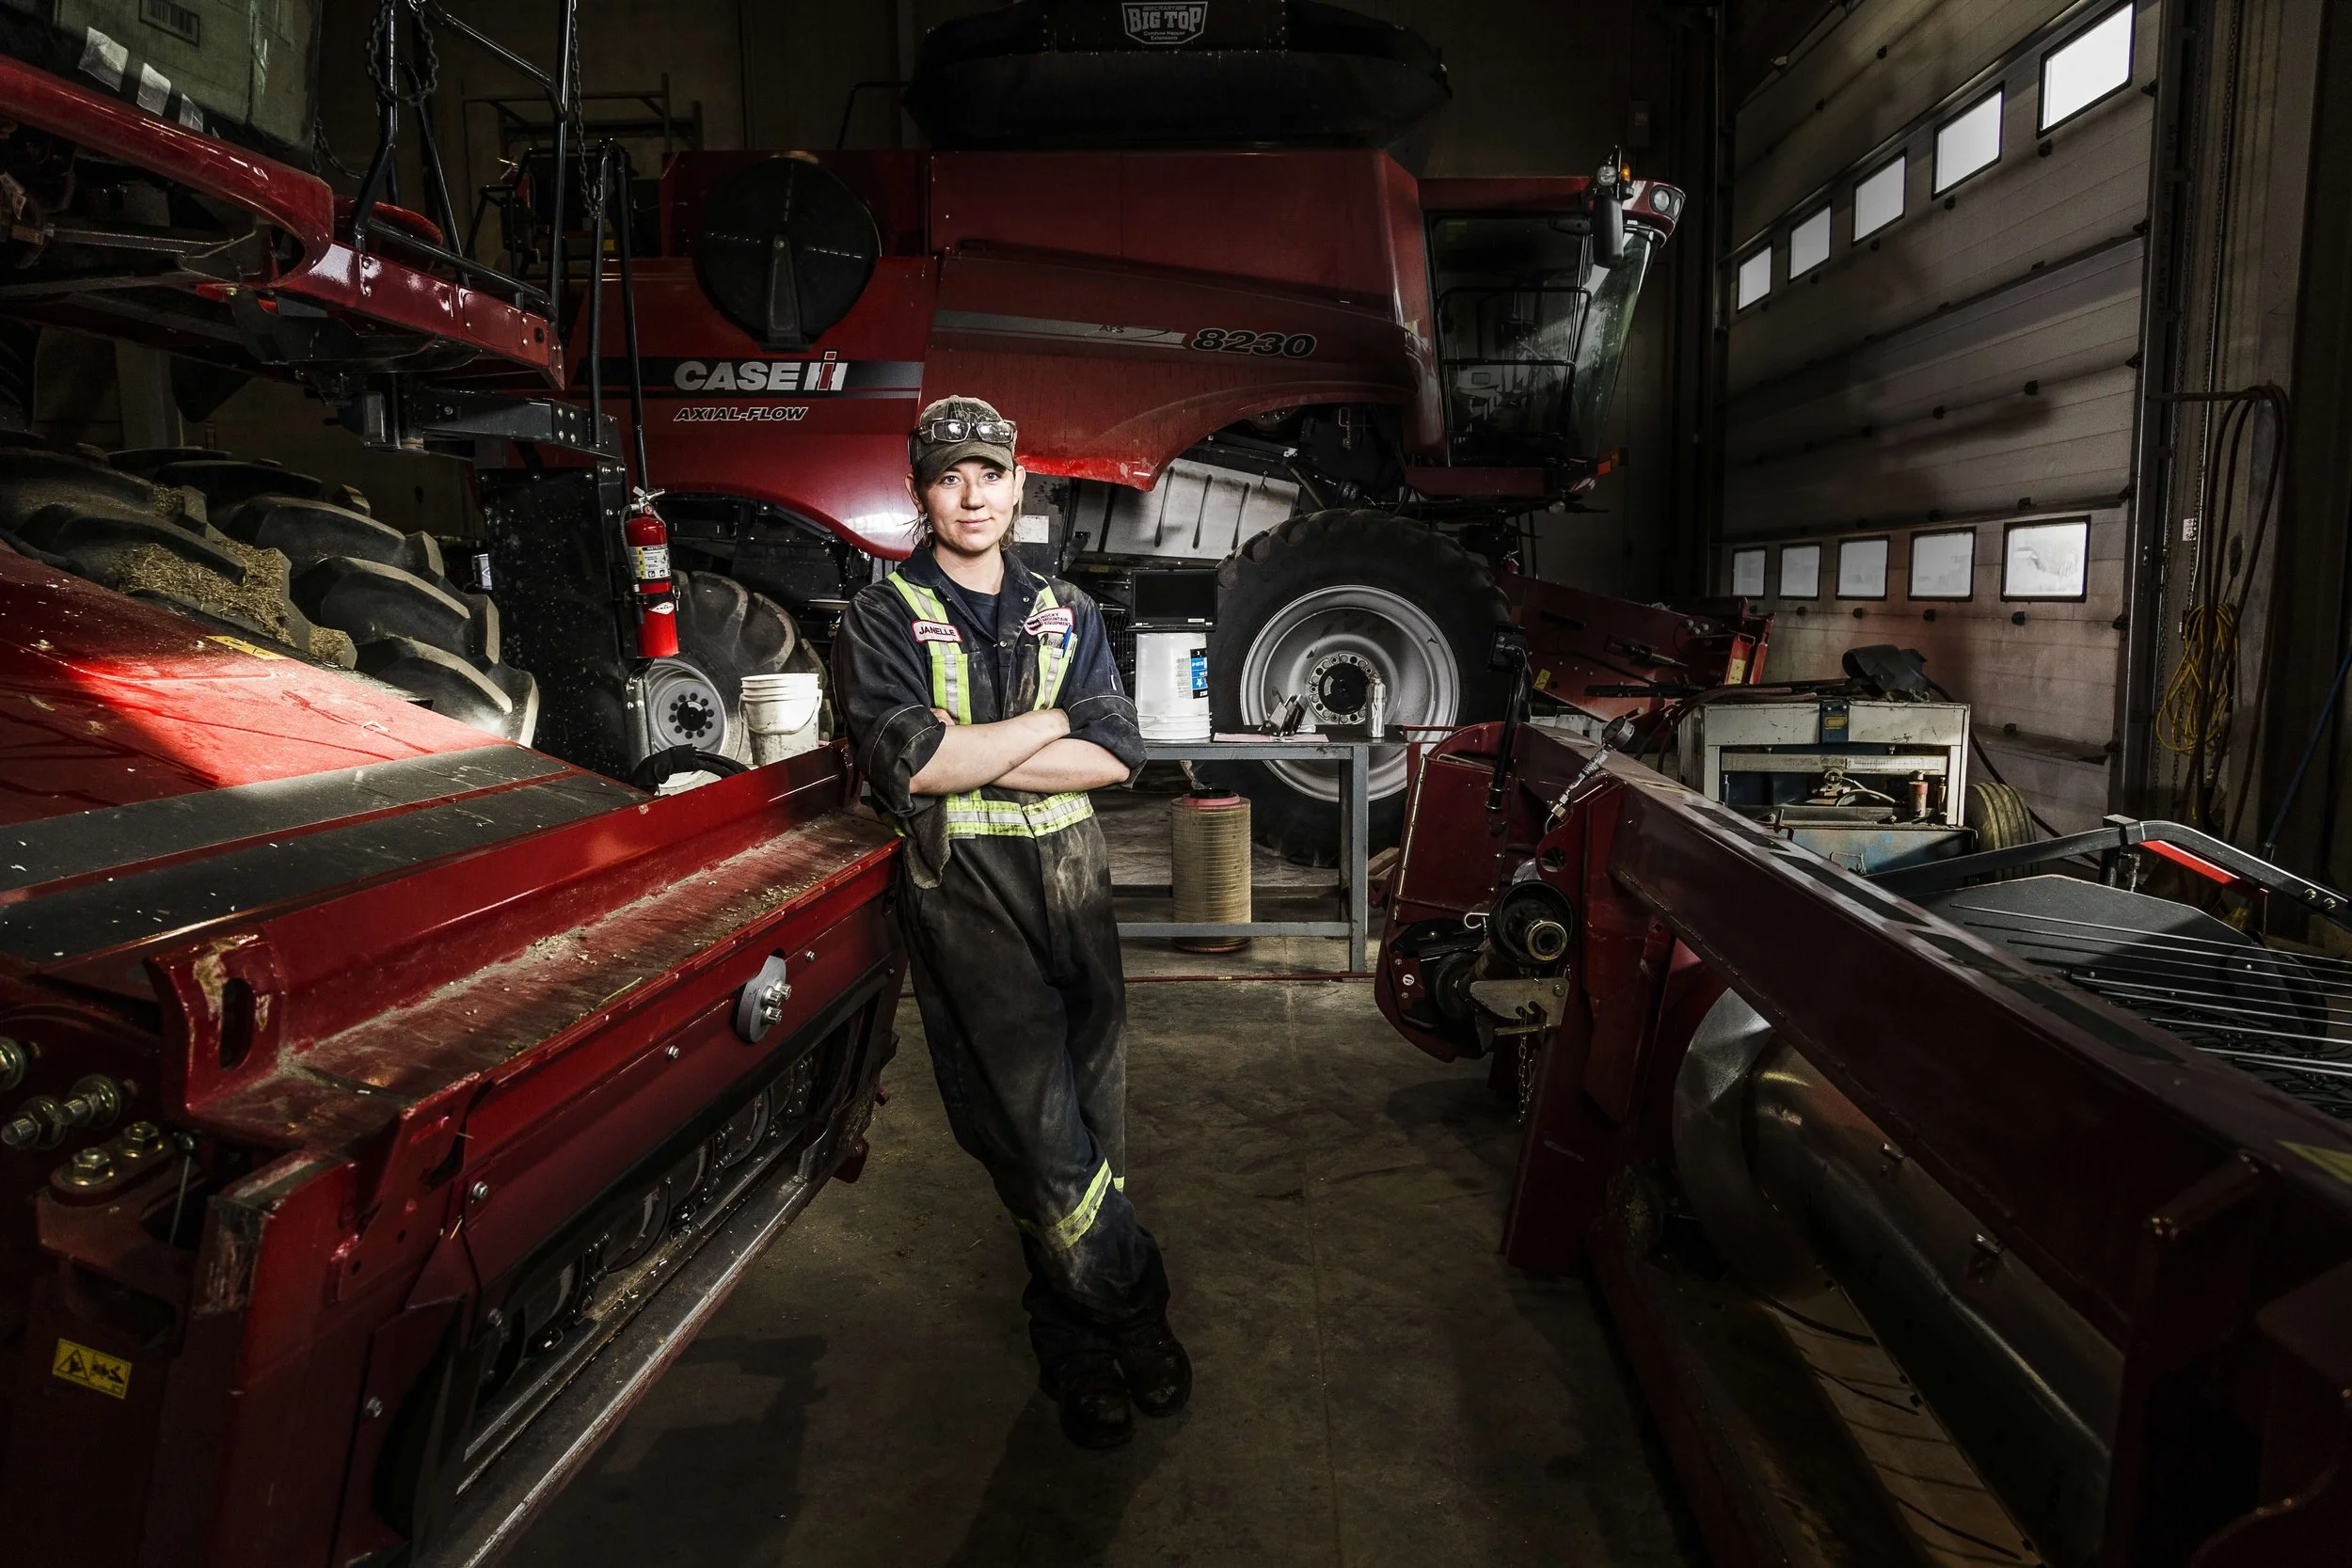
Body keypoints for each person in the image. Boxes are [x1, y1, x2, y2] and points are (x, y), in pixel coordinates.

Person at [831, 395, 1189, 1449]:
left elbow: (1116, 754)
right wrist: (1049, 726)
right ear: (919, 494)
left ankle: (1070, 1345)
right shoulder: (881, 617)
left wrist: (984, 743)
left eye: (989, 473)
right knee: (1040, 1138)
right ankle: (1137, 1310)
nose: (972, 495)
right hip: (965, 895)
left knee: (1094, 1133)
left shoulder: (1067, 609)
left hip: (1076, 891)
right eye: (949, 477)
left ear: (1019, 484)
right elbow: (912, 764)